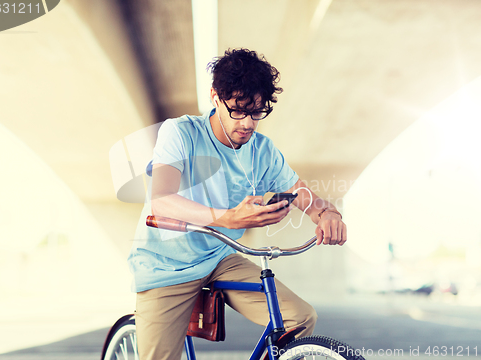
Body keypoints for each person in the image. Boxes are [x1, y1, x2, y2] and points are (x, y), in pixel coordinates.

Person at [128, 48, 347, 360]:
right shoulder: (181, 133)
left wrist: (326, 212)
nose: (248, 124)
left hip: (220, 258)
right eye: (238, 111)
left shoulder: (262, 150)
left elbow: (301, 194)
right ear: (215, 97)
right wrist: (228, 218)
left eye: (257, 112)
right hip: (167, 264)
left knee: (300, 317)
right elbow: (161, 201)